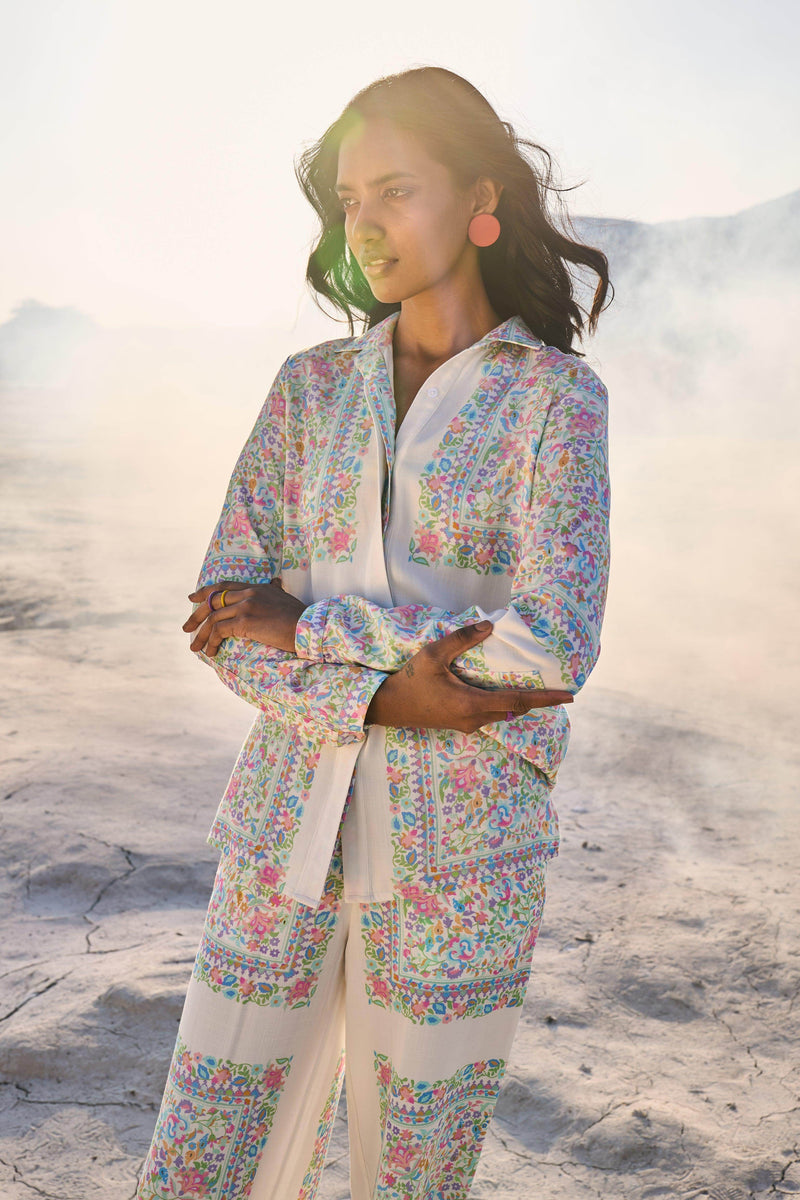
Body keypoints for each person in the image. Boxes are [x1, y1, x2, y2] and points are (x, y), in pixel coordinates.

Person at [136, 65, 612, 1200]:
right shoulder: (308, 390)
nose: (363, 225)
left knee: (415, 1175)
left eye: (395, 191)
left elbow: (549, 646)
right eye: (349, 200)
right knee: (200, 1159)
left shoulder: (555, 399)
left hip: (468, 858)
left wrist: (312, 627)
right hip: (280, 836)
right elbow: (222, 617)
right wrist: (392, 693)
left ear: (479, 200)